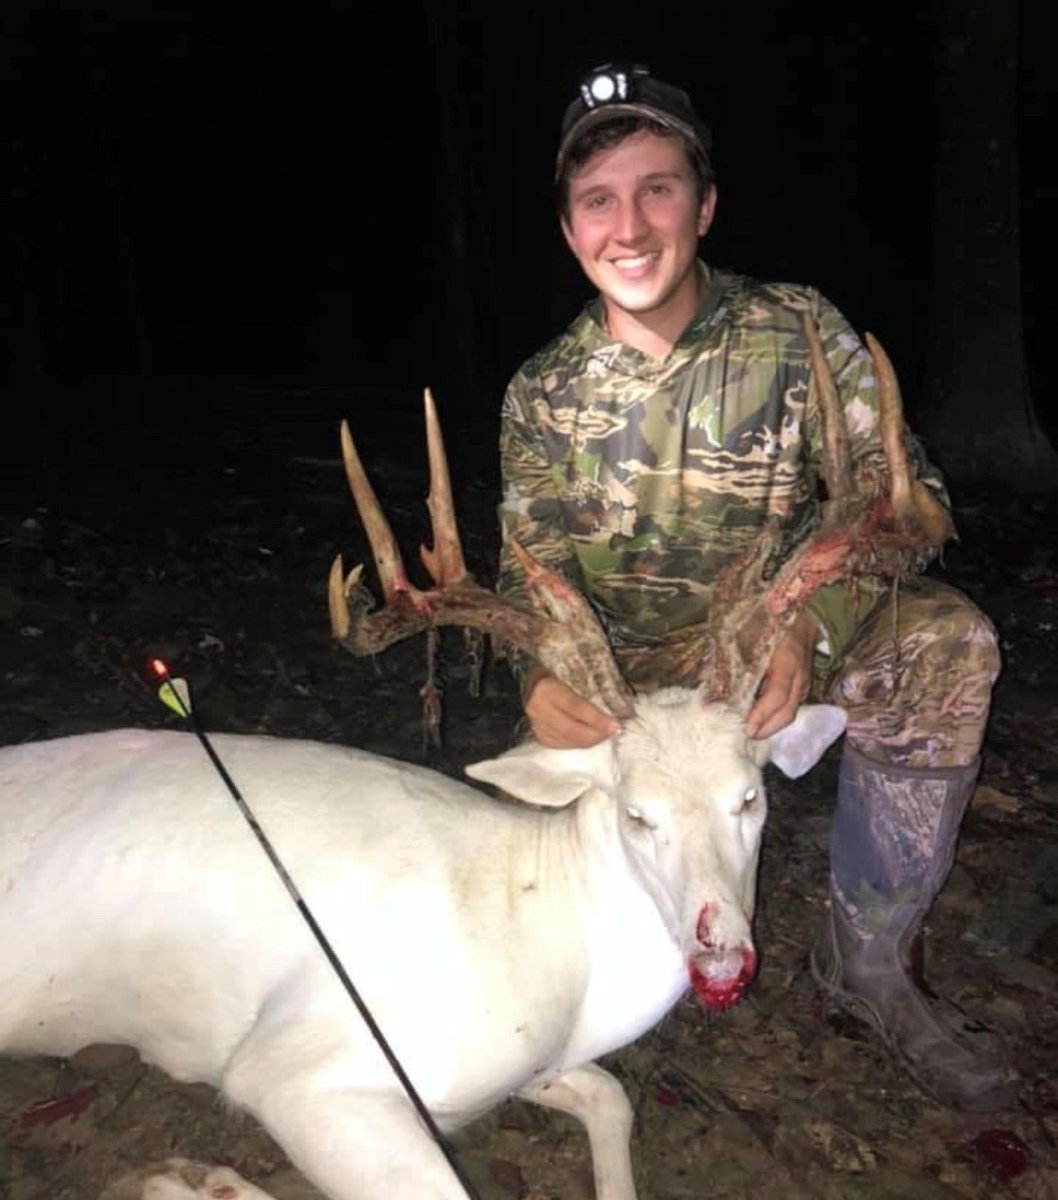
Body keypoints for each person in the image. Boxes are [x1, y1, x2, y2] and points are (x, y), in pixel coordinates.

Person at [495, 62, 1020, 1111]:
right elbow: (532, 577)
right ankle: (591, 957)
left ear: (705, 204)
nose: (629, 226)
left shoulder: (795, 332)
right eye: (596, 199)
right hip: (633, 683)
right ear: (566, 228)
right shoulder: (541, 394)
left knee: (946, 645)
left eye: (657, 189)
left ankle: (866, 957)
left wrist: (807, 632)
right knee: (515, 824)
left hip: (771, 650)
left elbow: (903, 506)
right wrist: (533, 676)